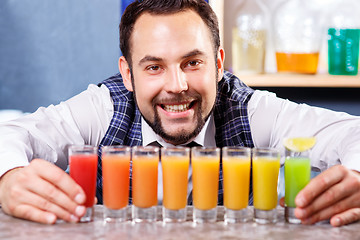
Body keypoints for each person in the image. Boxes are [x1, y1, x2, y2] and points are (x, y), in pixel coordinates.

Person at [0, 0, 359, 226]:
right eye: (154, 67)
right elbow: (12, 134)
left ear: (218, 64)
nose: (177, 85)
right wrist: (8, 177)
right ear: (128, 74)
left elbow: (351, 132)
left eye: (192, 62)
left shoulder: (250, 111)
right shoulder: (103, 107)